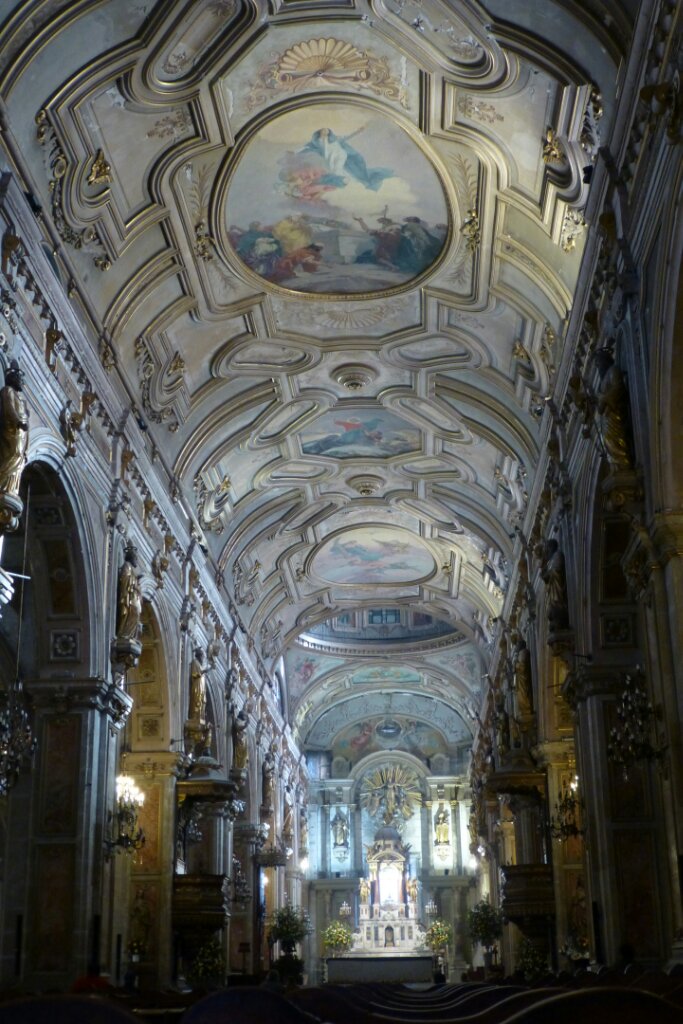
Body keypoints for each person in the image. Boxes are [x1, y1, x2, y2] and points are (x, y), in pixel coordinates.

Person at [0, 362, 29, 497]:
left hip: (21, 433)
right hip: (12, 430)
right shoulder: (8, 391)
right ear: (13, 379)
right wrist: (18, 422)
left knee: (20, 459)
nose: (22, 383)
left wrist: (27, 446)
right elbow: (9, 407)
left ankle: (11, 489)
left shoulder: (20, 399)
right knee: (14, 454)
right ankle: (3, 484)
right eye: (20, 380)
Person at [117, 542, 142, 642]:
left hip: (134, 595)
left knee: (137, 612)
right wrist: (134, 581)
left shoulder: (132, 570)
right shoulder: (127, 565)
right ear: (131, 558)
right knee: (134, 610)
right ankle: (125, 633)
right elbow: (125, 577)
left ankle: (130, 634)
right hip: (129, 596)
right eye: (136, 558)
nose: (137, 561)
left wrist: (136, 580)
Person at [189, 647, 207, 722]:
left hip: (201, 689)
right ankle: (194, 717)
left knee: (202, 703)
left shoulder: (200, 665)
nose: (203, 659)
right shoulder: (195, 662)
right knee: (197, 702)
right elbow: (194, 675)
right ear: (199, 656)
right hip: (197, 687)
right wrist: (203, 672)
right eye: (203, 657)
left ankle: (200, 717)